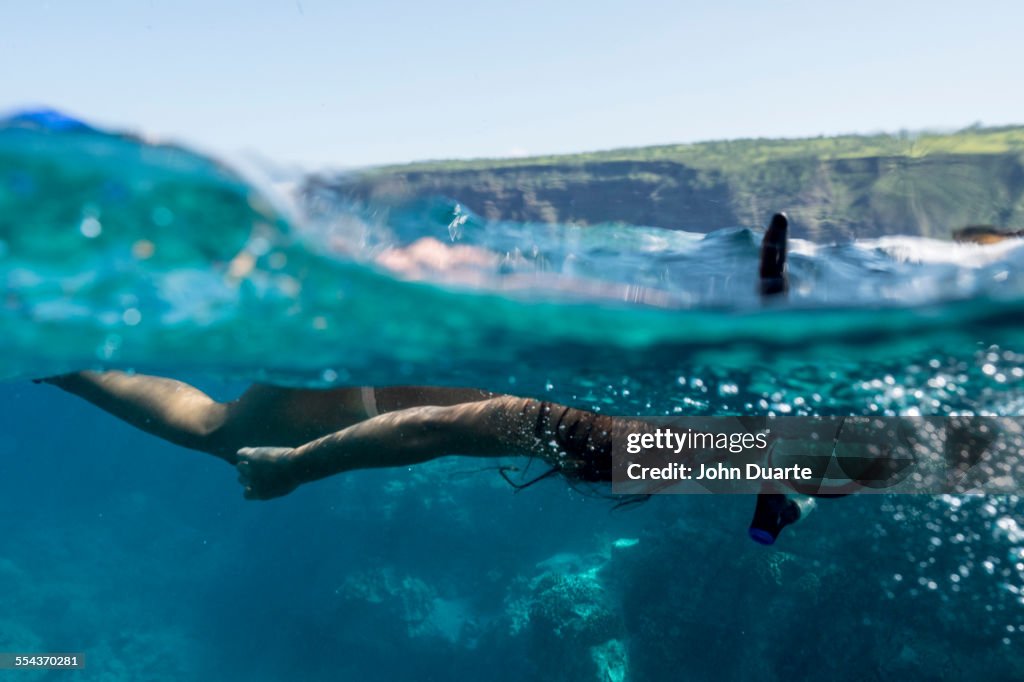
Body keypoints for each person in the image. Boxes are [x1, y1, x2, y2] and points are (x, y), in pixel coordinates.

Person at [42, 214, 814, 542]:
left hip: (429, 313)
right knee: (219, 429)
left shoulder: (668, 421)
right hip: (369, 378)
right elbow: (432, 427)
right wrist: (296, 470)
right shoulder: (610, 437)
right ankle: (57, 350)